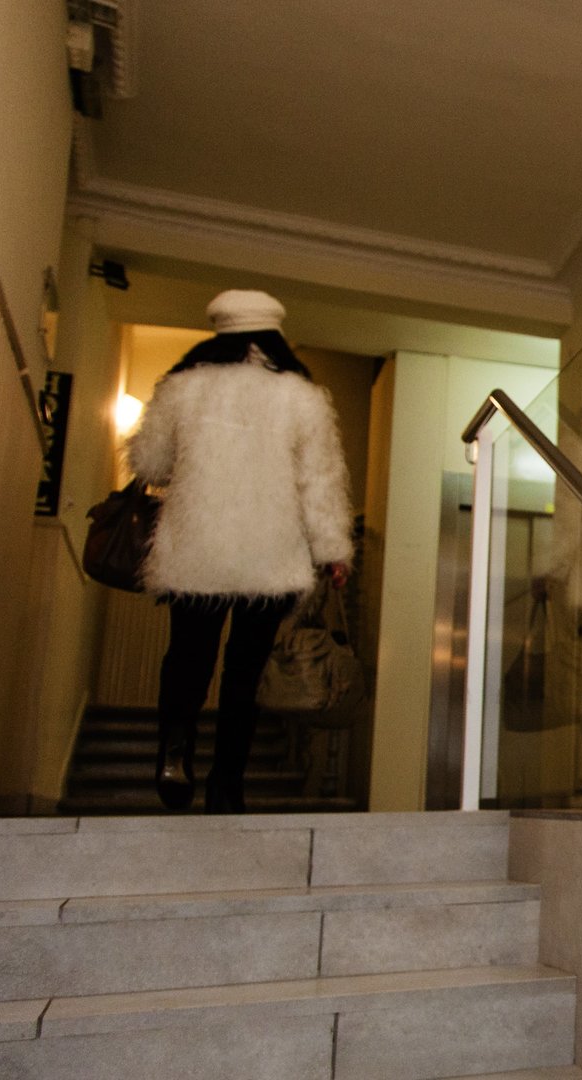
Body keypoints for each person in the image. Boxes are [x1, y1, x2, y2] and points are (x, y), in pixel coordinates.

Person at [127, 290, 353, 812]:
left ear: (219, 333)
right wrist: (332, 550)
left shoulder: (183, 388)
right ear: (273, 336)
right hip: (269, 554)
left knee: (188, 657)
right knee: (244, 672)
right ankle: (227, 780)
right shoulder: (302, 396)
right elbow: (319, 482)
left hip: (197, 547)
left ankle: (174, 751)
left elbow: (151, 465)